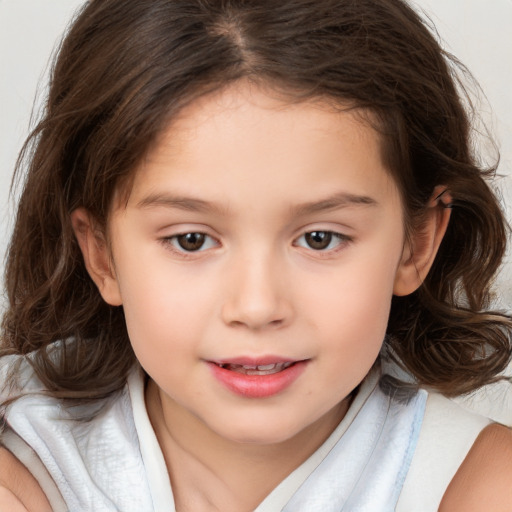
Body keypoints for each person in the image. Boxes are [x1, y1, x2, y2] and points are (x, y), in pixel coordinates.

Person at [1, 0, 511, 510]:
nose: (257, 306)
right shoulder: (23, 466)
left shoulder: (481, 487)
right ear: (102, 255)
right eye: (191, 240)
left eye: (320, 238)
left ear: (415, 243)